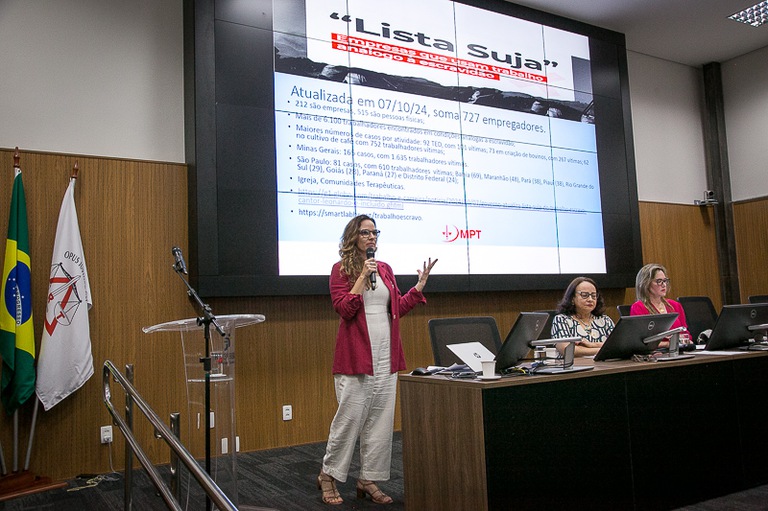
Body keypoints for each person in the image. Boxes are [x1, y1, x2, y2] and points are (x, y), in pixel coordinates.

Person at [318, 214, 437, 506]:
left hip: (386, 354)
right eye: (365, 233)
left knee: (380, 421)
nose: (372, 237)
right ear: (353, 237)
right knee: (349, 420)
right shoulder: (341, 270)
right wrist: (360, 277)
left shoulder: (384, 269)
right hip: (356, 356)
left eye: (375, 233)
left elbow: (396, 309)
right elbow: (344, 309)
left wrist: (418, 287)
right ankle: (328, 475)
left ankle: (367, 478)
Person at [630, 263, 692, 347]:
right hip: (656, 354)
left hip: (679, 350)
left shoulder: (675, 305)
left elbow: (686, 334)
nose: (664, 285)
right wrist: (667, 344)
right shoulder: (639, 307)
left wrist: (686, 341)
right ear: (646, 284)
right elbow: (641, 341)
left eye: (665, 281)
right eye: (659, 281)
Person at [551, 277, 615, 357]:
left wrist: (592, 345)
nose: (590, 299)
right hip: (575, 367)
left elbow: (617, 346)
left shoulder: (605, 320)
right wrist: (601, 350)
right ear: (572, 299)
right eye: (584, 295)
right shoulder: (562, 320)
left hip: (606, 367)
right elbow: (567, 350)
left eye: (594, 296)